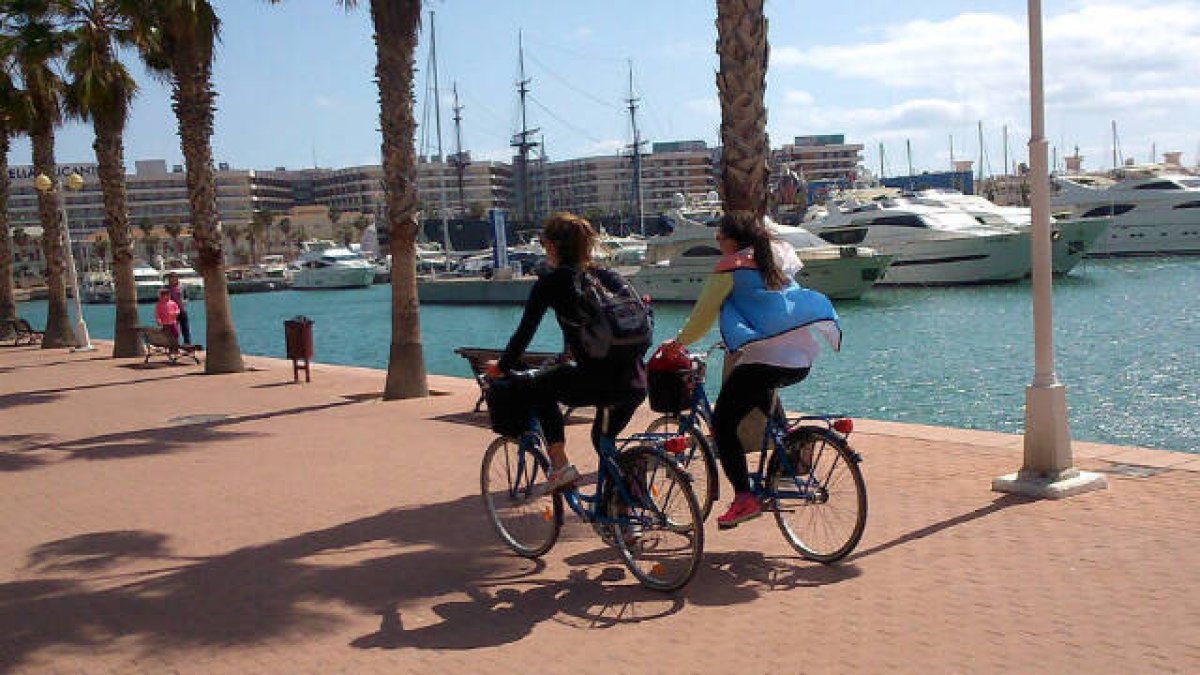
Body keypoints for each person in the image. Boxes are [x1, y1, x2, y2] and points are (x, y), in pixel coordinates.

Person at [664, 213, 841, 529]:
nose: (717, 241)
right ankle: (787, 459)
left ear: (733, 239)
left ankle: (744, 498)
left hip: (765, 359)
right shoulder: (772, 259)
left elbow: (703, 317)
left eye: (719, 236)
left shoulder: (730, 267)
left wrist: (677, 344)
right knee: (761, 391)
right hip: (800, 359)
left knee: (723, 423)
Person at [485, 212, 648, 492]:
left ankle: (559, 466)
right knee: (603, 442)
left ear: (551, 246)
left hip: (597, 381)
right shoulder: (608, 276)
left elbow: (523, 334)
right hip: (635, 381)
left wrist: (501, 366)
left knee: (540, 388)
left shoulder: (551, 282)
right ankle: (628, 511)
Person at [164, 272, 191, 344]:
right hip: (171, 312)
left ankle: (187, 344)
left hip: (181, 310)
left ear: (176, 278)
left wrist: (184, 302)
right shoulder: (166, 288)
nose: (171, 280)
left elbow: (187, 297)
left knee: (185, 329)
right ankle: (174, 345)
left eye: (172, 278)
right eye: (169, 279)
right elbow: (162, 299)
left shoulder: (182, 286)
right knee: (173, 330)